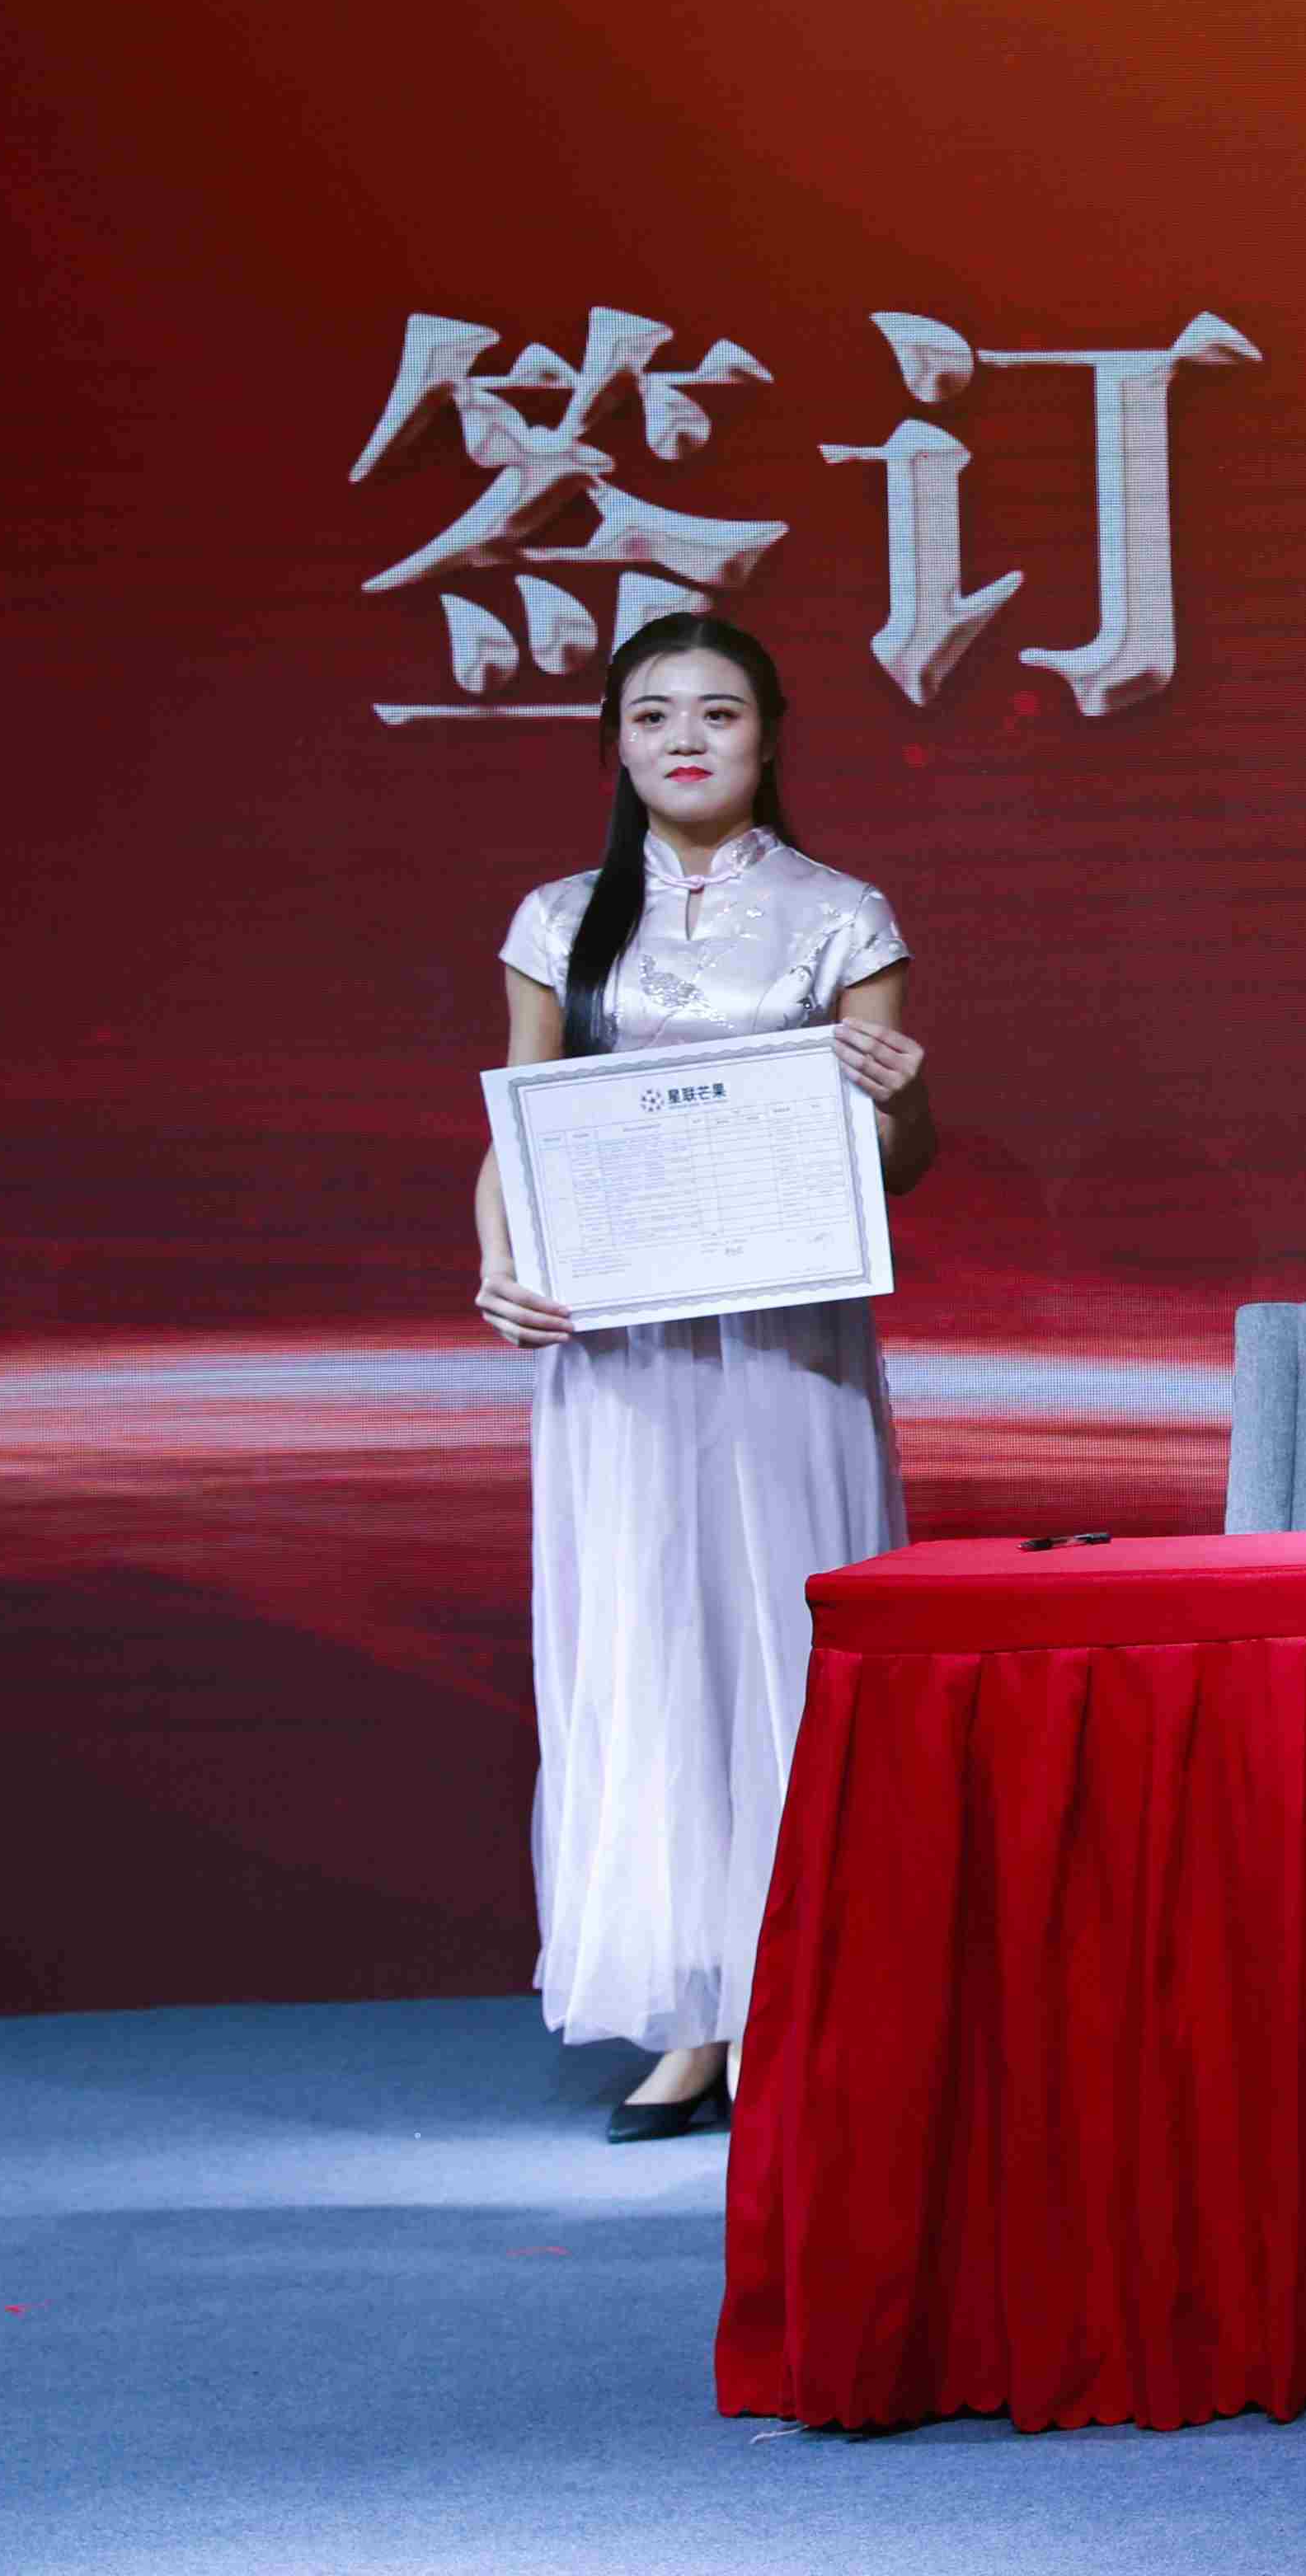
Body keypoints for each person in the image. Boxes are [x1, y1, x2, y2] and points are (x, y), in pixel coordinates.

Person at [469, 613, 932, 2140]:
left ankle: (804, 1994)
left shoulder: (842, 914)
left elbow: (895, 1168)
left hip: (785, 1343)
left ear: (769, 735)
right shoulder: (558, 920)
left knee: (785, 1645)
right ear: (614, 739)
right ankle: (692, 2012)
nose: (685, 737)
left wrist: (899, 1098)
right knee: (648, 1641)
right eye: (654, 712)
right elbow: (520, 1131)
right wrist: (502, 1262)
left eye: (718, 712)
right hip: (620, 1351)